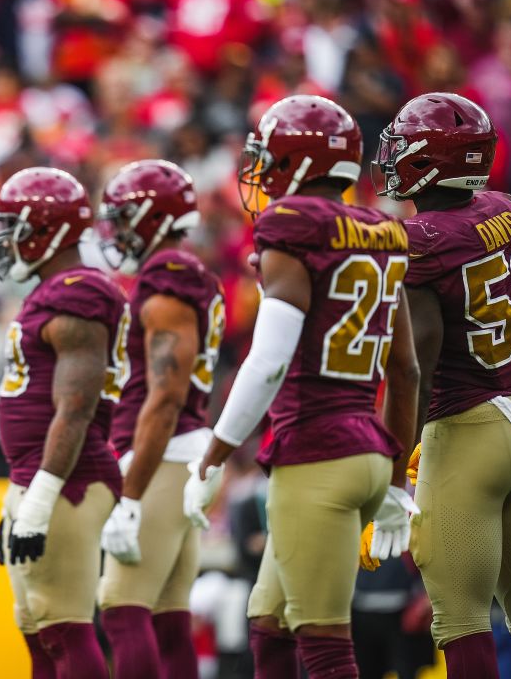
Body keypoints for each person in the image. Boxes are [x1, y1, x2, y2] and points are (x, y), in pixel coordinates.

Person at [183, 95, 421, 679]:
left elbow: (267, 360)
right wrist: (392, 480)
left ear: (295, 161)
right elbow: (407, 369)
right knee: (267, 622)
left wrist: (214, 452)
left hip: (317, 453)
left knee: (325, 645)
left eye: (270, 156)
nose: (261, 170)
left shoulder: (293, 226)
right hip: (366, 449)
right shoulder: (383, 230)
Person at [373, 91, 511, 679]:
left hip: (466, 429)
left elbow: (414, 368)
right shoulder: (510, 209)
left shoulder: (421, 243)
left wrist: (392, 476)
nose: (391, 154)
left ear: (429, 160)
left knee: (462, 624)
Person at [0, 166, 129, 678]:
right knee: (37, 628)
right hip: (39, 473)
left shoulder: (78, 293)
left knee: (63, 626)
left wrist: (40, 500)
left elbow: (75, 408)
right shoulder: (55, 289)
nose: (4, 239)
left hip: (68, 479)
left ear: (47, 229)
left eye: (14, 225)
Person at [94, 159, 225, 679]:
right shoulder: (190, 273)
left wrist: (130, 493)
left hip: (164, 458)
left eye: (126, 217)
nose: (118, 229)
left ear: (153, 217)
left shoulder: (167, 278)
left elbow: (166, 396)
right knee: (170, 619)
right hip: (183, 453)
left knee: (123, 608)